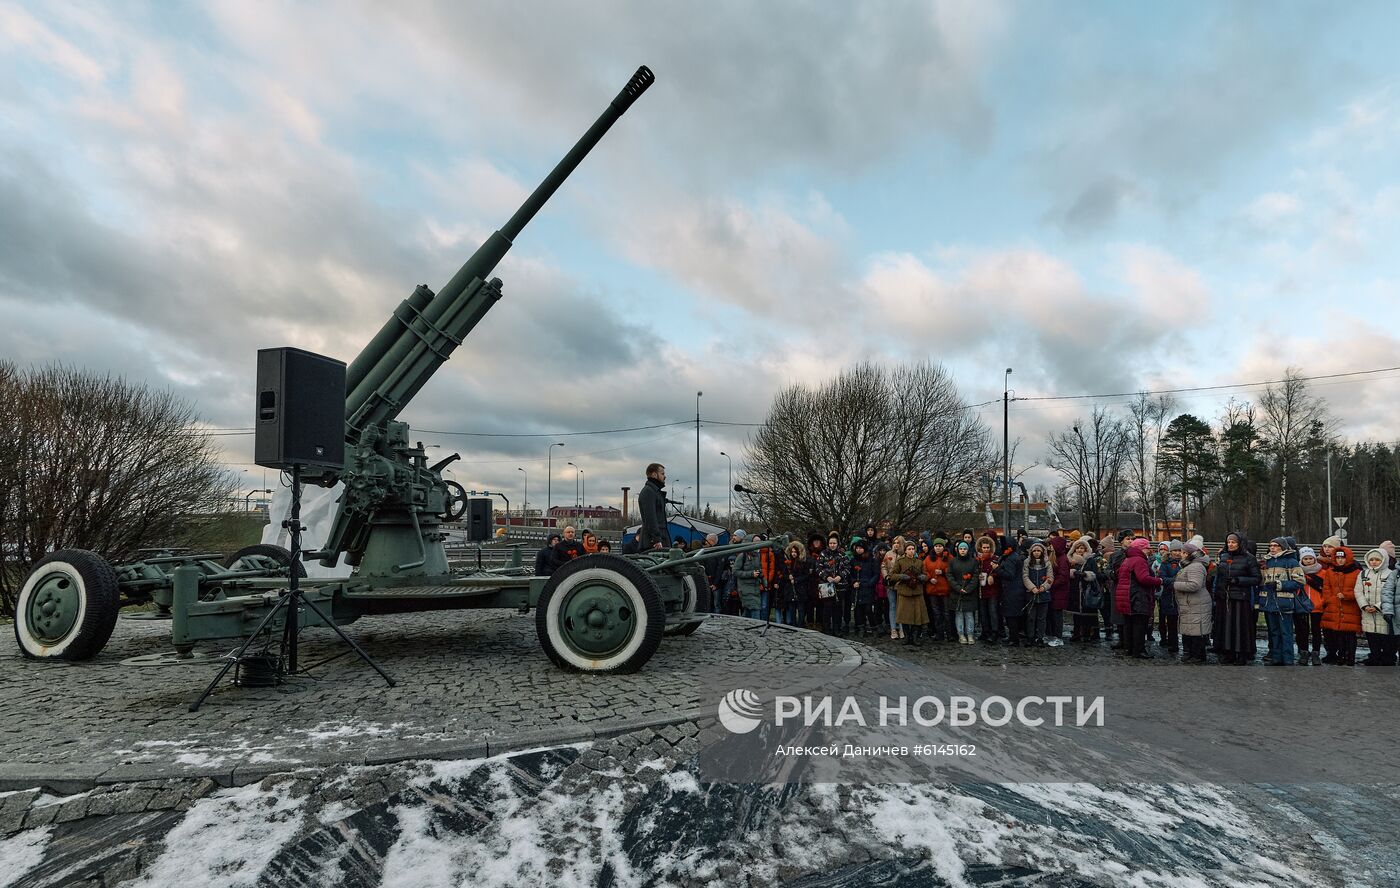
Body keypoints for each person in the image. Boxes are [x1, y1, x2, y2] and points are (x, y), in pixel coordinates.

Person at [1216, 532, 1261, 665]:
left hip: (1240, 598)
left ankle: (1242, 654)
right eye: (1228, 542)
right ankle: (1228, 652)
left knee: (1240, 627)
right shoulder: (1223, 556)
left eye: (1233, 542)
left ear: (1240, 543)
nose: (1230, 544)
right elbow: (1219, 577)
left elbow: (1256, 578)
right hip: (1225, 598)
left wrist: (1238, 580)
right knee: (1226, 627)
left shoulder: (1249, 558)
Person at [1259, 537, 1304, 666]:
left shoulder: (1291, 562)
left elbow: (1300, 582)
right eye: (1271, 545)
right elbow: (1261, 582)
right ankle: (1276, 657)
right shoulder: (1266, 562)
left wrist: (1279, 585)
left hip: (1284, 602)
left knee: (1286, 632)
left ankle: (1288, 658)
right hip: (1269, 602)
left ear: (1282, 547)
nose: (1272, 548)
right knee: (1273, 632)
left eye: (1275, 545)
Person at [1116, 537, 1162, 659]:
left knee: (1128, 624)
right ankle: (1139, 650)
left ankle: (1129, 648)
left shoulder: (1127, 559)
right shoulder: (1139, 560)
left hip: (1126, 596)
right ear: (1141, 548)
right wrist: (1158, 581)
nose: (1149, 550)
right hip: (1137, 597)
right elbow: (1143, 578)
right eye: (1147, 548)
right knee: (1139, 625)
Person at [1320, 546, 1362, 665]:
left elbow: (1359, 590)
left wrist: (1347, 596)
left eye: (1342, 558)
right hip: (1334, 606)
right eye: (1337, 557)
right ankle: (1340, 655)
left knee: (1349, 634)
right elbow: (1326, 588)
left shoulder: (1357, 572)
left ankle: (1350, 657)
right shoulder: (1330, 571)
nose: (1339, 560)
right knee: (1337, 634)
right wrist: (1329, 600)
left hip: (1350, 607)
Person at [1172, 541, 1213, 662]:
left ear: (1188, 554)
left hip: (1196, 603)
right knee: (1190, 629)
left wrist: (1175, 584)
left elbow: (1195, 585)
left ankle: (1198, 655)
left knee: (1196, 630)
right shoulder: (1190, 565)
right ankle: (1190, 653)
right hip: (1191, 604)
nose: (1181, 554)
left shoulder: (1195, 566)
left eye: (1183, 552)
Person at [1356, 547, 1396, 666]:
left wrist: (1378, 606)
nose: (1374, 562)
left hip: (1383, 612)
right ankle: (1374, 655)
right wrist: (1364, 605)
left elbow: (1391, 593)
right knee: (1371, 636)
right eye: (1371, 559)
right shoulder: (1363, 573)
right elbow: (1358, 591)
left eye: (1377, 560)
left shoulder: (1391, 574)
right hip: (1367, 612)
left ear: (1384, 560)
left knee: (1385, 636)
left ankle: (1388, 657)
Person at [890, 541, 929, 645]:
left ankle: (915, 637)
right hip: (904, 592)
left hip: (917, 592)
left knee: (917, 617)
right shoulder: (900, 561)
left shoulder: (919, 562)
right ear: (905, 551)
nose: (911, 551)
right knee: (904, 617)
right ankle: (908, 637)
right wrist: (901, 576)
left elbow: (926, 575)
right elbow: (892, 575)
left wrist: (923, 577)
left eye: (913, 549)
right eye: (909, 549)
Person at [1066, 538, 1104, 642]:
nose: (1079, 550)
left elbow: (1094, 574)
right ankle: (1077, 633)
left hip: (1087, 589)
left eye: (1082, 548)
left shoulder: (1090, 560)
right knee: (1076, 614)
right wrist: (1071, 573)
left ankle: (1087, 633)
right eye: (1077, 548)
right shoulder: (1070, 560)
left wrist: (1084, 574)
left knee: (1087, 614)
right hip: (1075, 590)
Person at [947, 539, 979, 644]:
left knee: (969, 614)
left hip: (970, 592)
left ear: (968, 550)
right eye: (960, 549)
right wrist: (957, 587)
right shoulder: (953, 561)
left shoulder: (973, 561)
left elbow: (975, 576)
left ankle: (970, 634)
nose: (962, 550)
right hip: (956, 592)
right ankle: (960, 634)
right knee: (959, 614)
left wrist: (968, 589)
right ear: (957, 550)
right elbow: (950, 576)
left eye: (964, 549)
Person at [1022, 540, 1054, 646]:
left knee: (1042, 618)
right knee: (1031, 617)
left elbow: (1050, 578)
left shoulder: (1047, 563)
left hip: (1043, 594)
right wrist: (1032, 588)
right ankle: (1030, 637)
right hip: (1031, 594)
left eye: (1038, 551)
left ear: (1042, 552)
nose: (1036, 553)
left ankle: (1040, 637)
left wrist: (1044, 587)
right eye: (1034, 551)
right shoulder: (1027, 562)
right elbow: (1025, 576)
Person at [998, 538, 1029, 645]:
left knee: (1011, 616)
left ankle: (1013, 639)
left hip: (1012, 591)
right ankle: (1013, 637)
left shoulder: (1011, 558)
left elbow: (1009, 575)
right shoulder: (1014, 556)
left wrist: (998, 569)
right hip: (1016, 590)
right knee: (1013, 616)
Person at [923, 538, 952, 642]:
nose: (938, 548)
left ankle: (949, 634)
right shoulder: (928, 558)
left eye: (940, 546)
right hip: (933, 589)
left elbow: (952, 571)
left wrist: (943, 572)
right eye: (936, 546)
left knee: (946, 612)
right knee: (936, 613)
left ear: (943, 547)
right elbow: (924, 571)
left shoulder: (949, 557)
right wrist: (930, 578)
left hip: (945, 589)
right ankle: (939, 634)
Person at [850, 539, 881, 636]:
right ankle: (861, 627)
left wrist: (870, 583)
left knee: (868, 609)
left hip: (868, 587)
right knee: (858, 609)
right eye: (857, 548)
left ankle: (873, 627)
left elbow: (876, 574)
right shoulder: (853, 560)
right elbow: (850, 574)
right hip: (858, 588)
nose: (859, 550)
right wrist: (853, 582)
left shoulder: (872, 560)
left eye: (861, 548)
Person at [1156, 540, 1182, 654]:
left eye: (1179, 550)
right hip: (1169, 597)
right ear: (1171, 552)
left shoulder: (1184, 563)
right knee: (1171, 622)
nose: (1177, 553)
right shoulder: (1165, 564)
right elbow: (1163, 579)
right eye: (1175, 550)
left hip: (1182, 597)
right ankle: (1173, 644)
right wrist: (1177, 580)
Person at [636, 463, 670, 551]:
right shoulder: (648, 492)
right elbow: (650, 518)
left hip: (659, 539)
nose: (665, 476)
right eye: (662, 474)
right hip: (652, 543)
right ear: (654, 474)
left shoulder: (654, 492)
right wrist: (657, 540)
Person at [730, 540, 766, 620]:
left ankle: (740, 625)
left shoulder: (757, 556)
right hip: (745, 588)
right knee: (755, 609)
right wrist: (751, 574)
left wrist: (764, 583)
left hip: (755, 588)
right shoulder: (742, 556)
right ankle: (756, 628)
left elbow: (759, 570)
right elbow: (735, 571)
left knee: (748, 611)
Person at [975, 535, 1001, 644]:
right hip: (981, 589)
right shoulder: (978, 560)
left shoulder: (995, 559)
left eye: (987, 547)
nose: (986, 549)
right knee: (983, 612)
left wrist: (993, 576)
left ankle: (994, 632)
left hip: (992, 590)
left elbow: (999, 572)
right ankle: (985, 631)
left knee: (992, 611)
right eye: (984, 548)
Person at [1047, 528, 1069, 643]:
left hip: (1059, 592)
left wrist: (1051, 584)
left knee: (1057, 616)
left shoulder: (1062, 559)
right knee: (1053, 614)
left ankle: (1058, 636)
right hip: (1055, 591)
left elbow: (1063, 577)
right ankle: (1053, 635)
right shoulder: (1057, 557)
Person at [882, 535, 907, 639]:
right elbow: (883, 566)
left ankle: (901, 628)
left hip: (901, 584)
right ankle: (893, 629)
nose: (896, 545)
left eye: (898, 543)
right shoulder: (888, 554)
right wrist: (886, 576)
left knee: (901, 607)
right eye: (894, 542)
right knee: (892, 606)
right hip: (890, 585)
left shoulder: (905, 555)